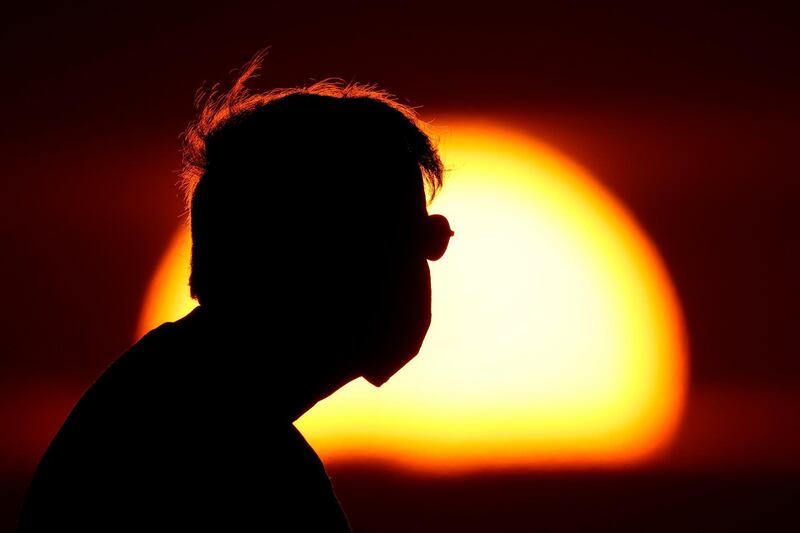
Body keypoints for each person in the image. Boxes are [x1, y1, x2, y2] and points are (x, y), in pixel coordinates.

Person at [17, 49, 453, 531]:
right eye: (418, 239)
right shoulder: (238, 463)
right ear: (323, 253)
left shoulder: (163, 403)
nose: (423, 267)